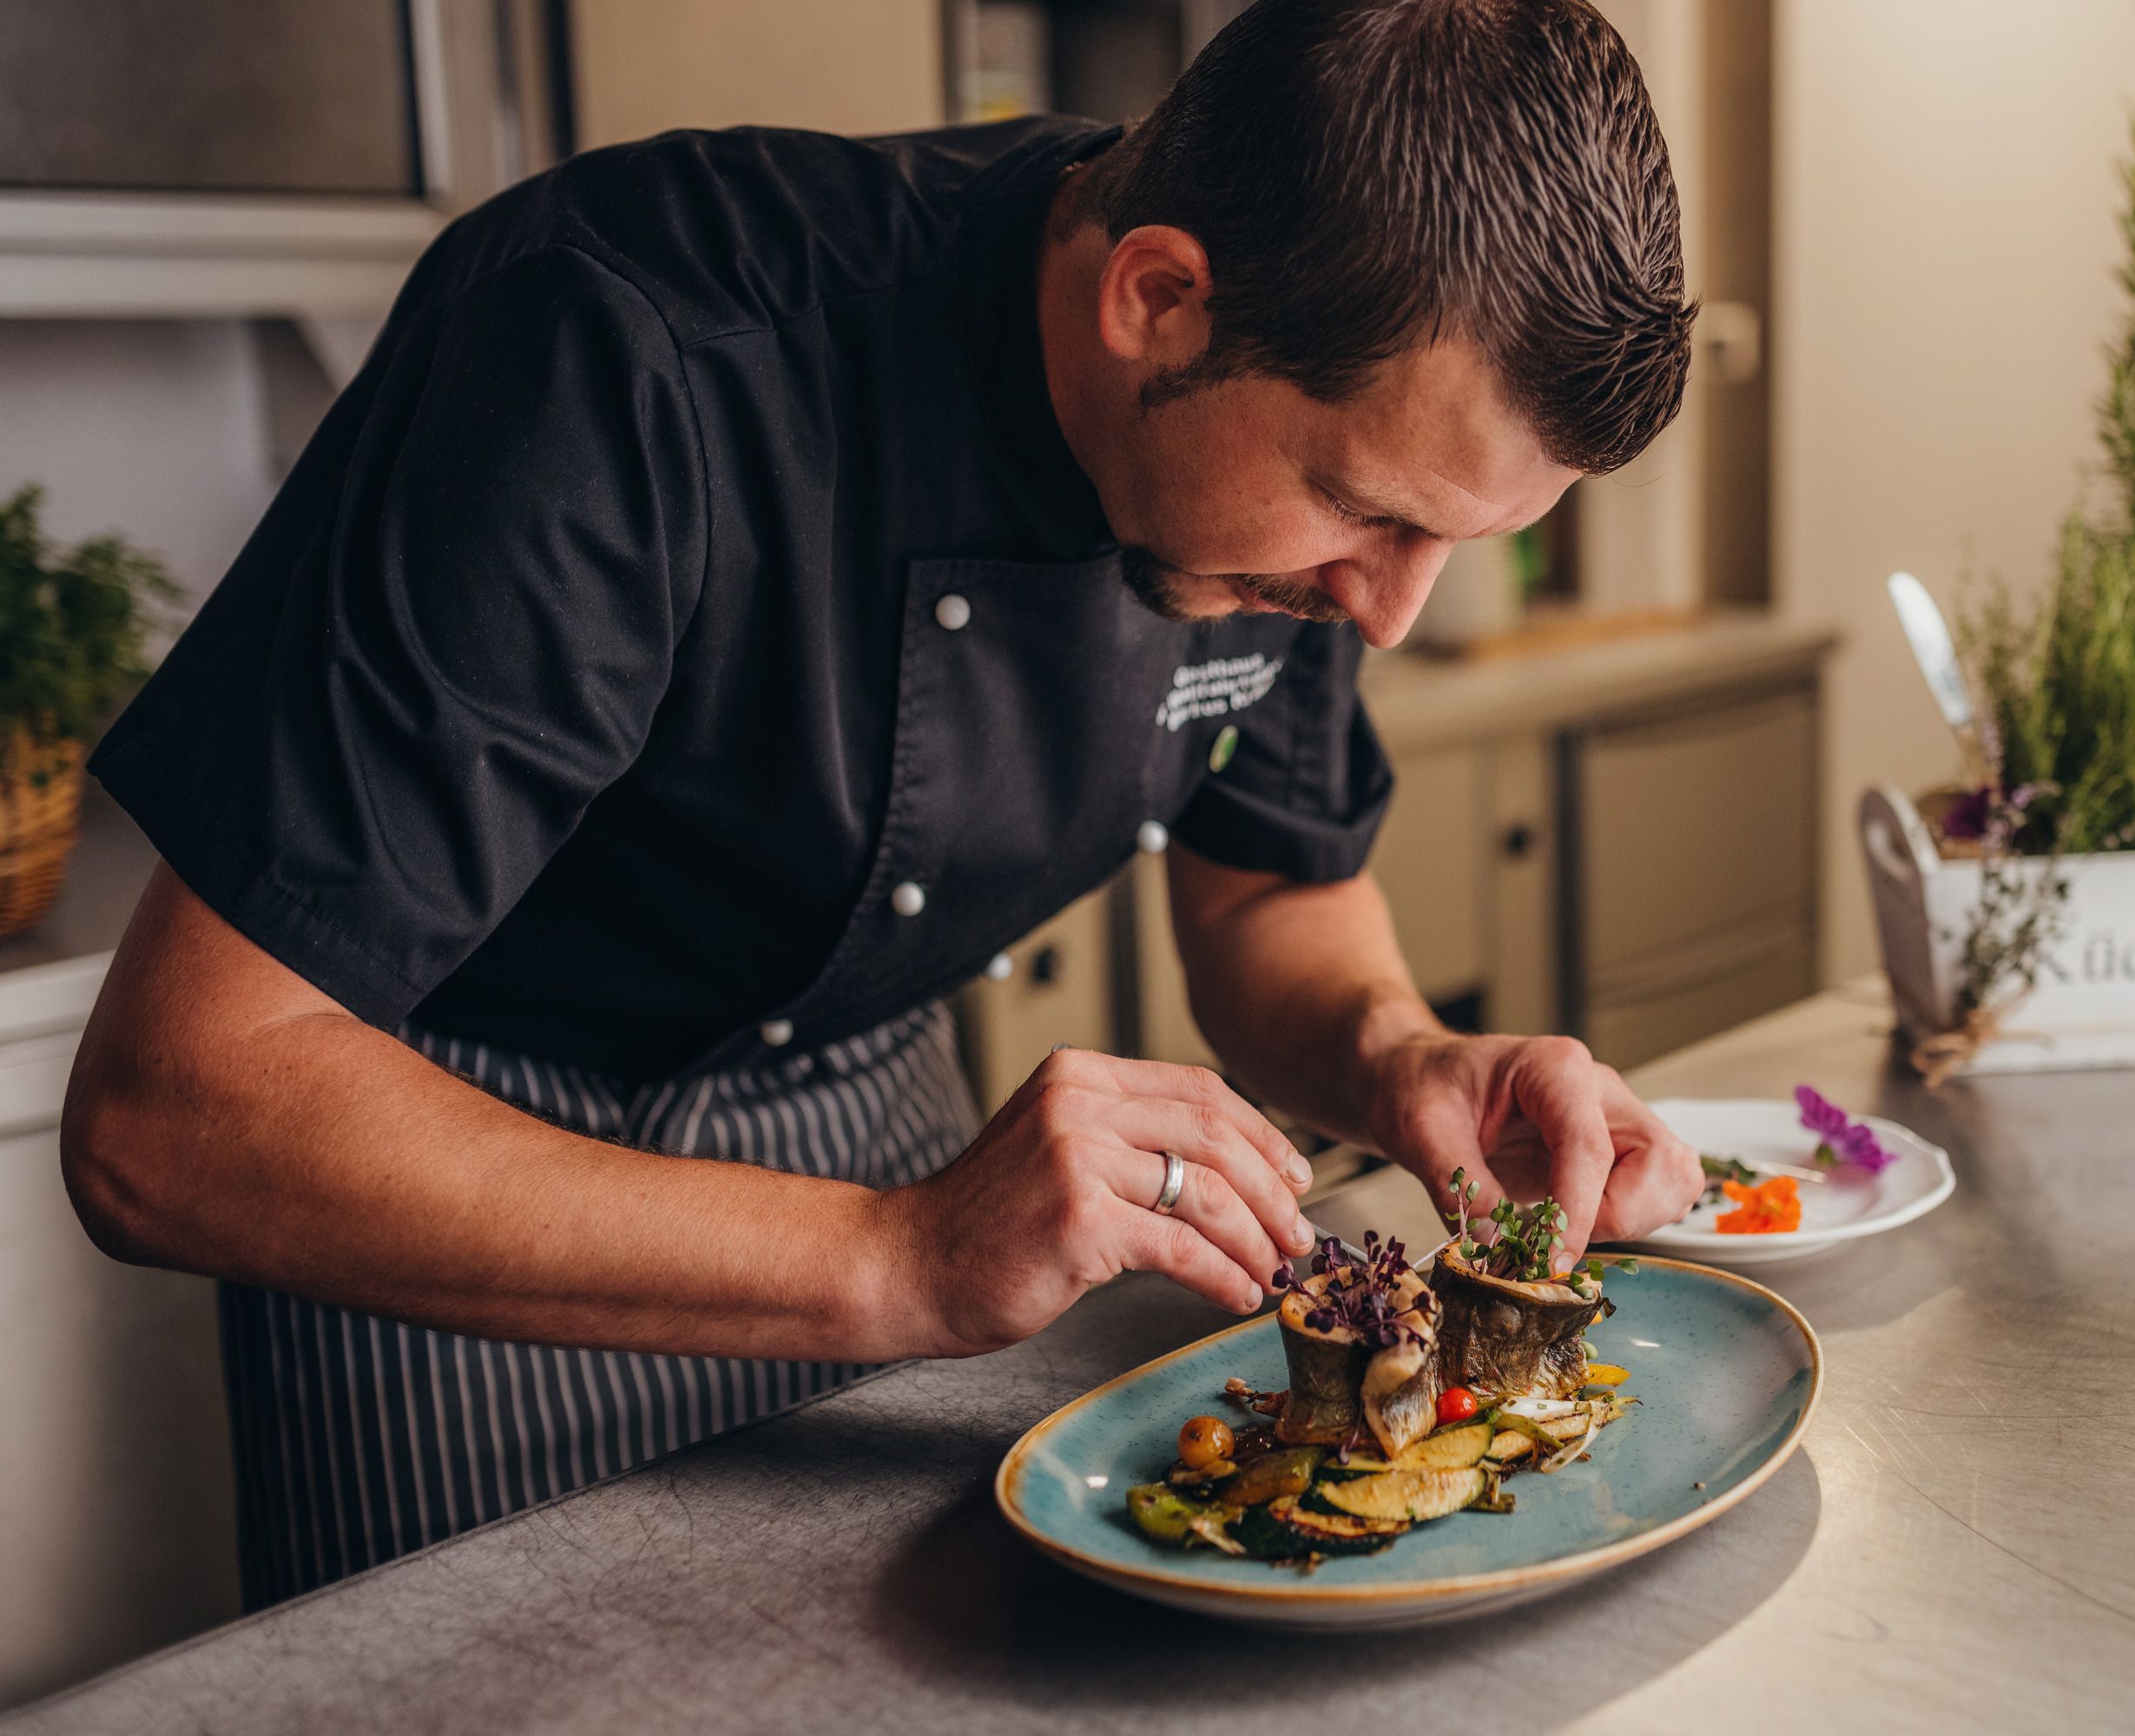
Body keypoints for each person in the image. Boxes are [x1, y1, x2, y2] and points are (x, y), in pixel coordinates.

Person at [61, 0, 1702, 1605]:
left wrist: (1394, 1050)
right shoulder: (618, 345)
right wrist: (894, 1256)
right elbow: (176, 1114)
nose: (1393, 613)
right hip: (458, 1184)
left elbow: (1274, 893)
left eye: (1449, 544)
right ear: (1159, 298)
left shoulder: (1291, 461)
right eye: (1365, 513)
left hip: (895, 1141)